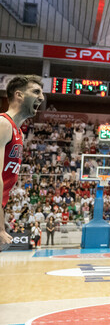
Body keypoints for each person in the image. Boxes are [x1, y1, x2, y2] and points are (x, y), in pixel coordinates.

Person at [0, 75, 44, 250]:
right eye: (36, 92)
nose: (41, 97)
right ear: (18, 95)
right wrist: (0, 227)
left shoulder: (19, 133)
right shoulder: (3, 124)